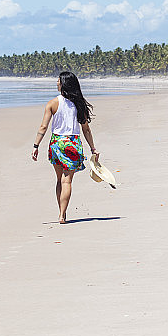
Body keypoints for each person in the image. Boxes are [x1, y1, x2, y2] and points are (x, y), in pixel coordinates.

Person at [32, 71, 99, 224]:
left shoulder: (52, 103)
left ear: (63, 84)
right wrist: (93, 148)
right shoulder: (79, 104)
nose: (56, 83)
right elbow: (86, 130)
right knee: (67, 181)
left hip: (56, 143)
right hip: (72, 144)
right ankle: (62, 214)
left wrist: (36, 145)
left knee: (59, 180)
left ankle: (61, 213)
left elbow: (43, 127)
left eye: (58, 81)